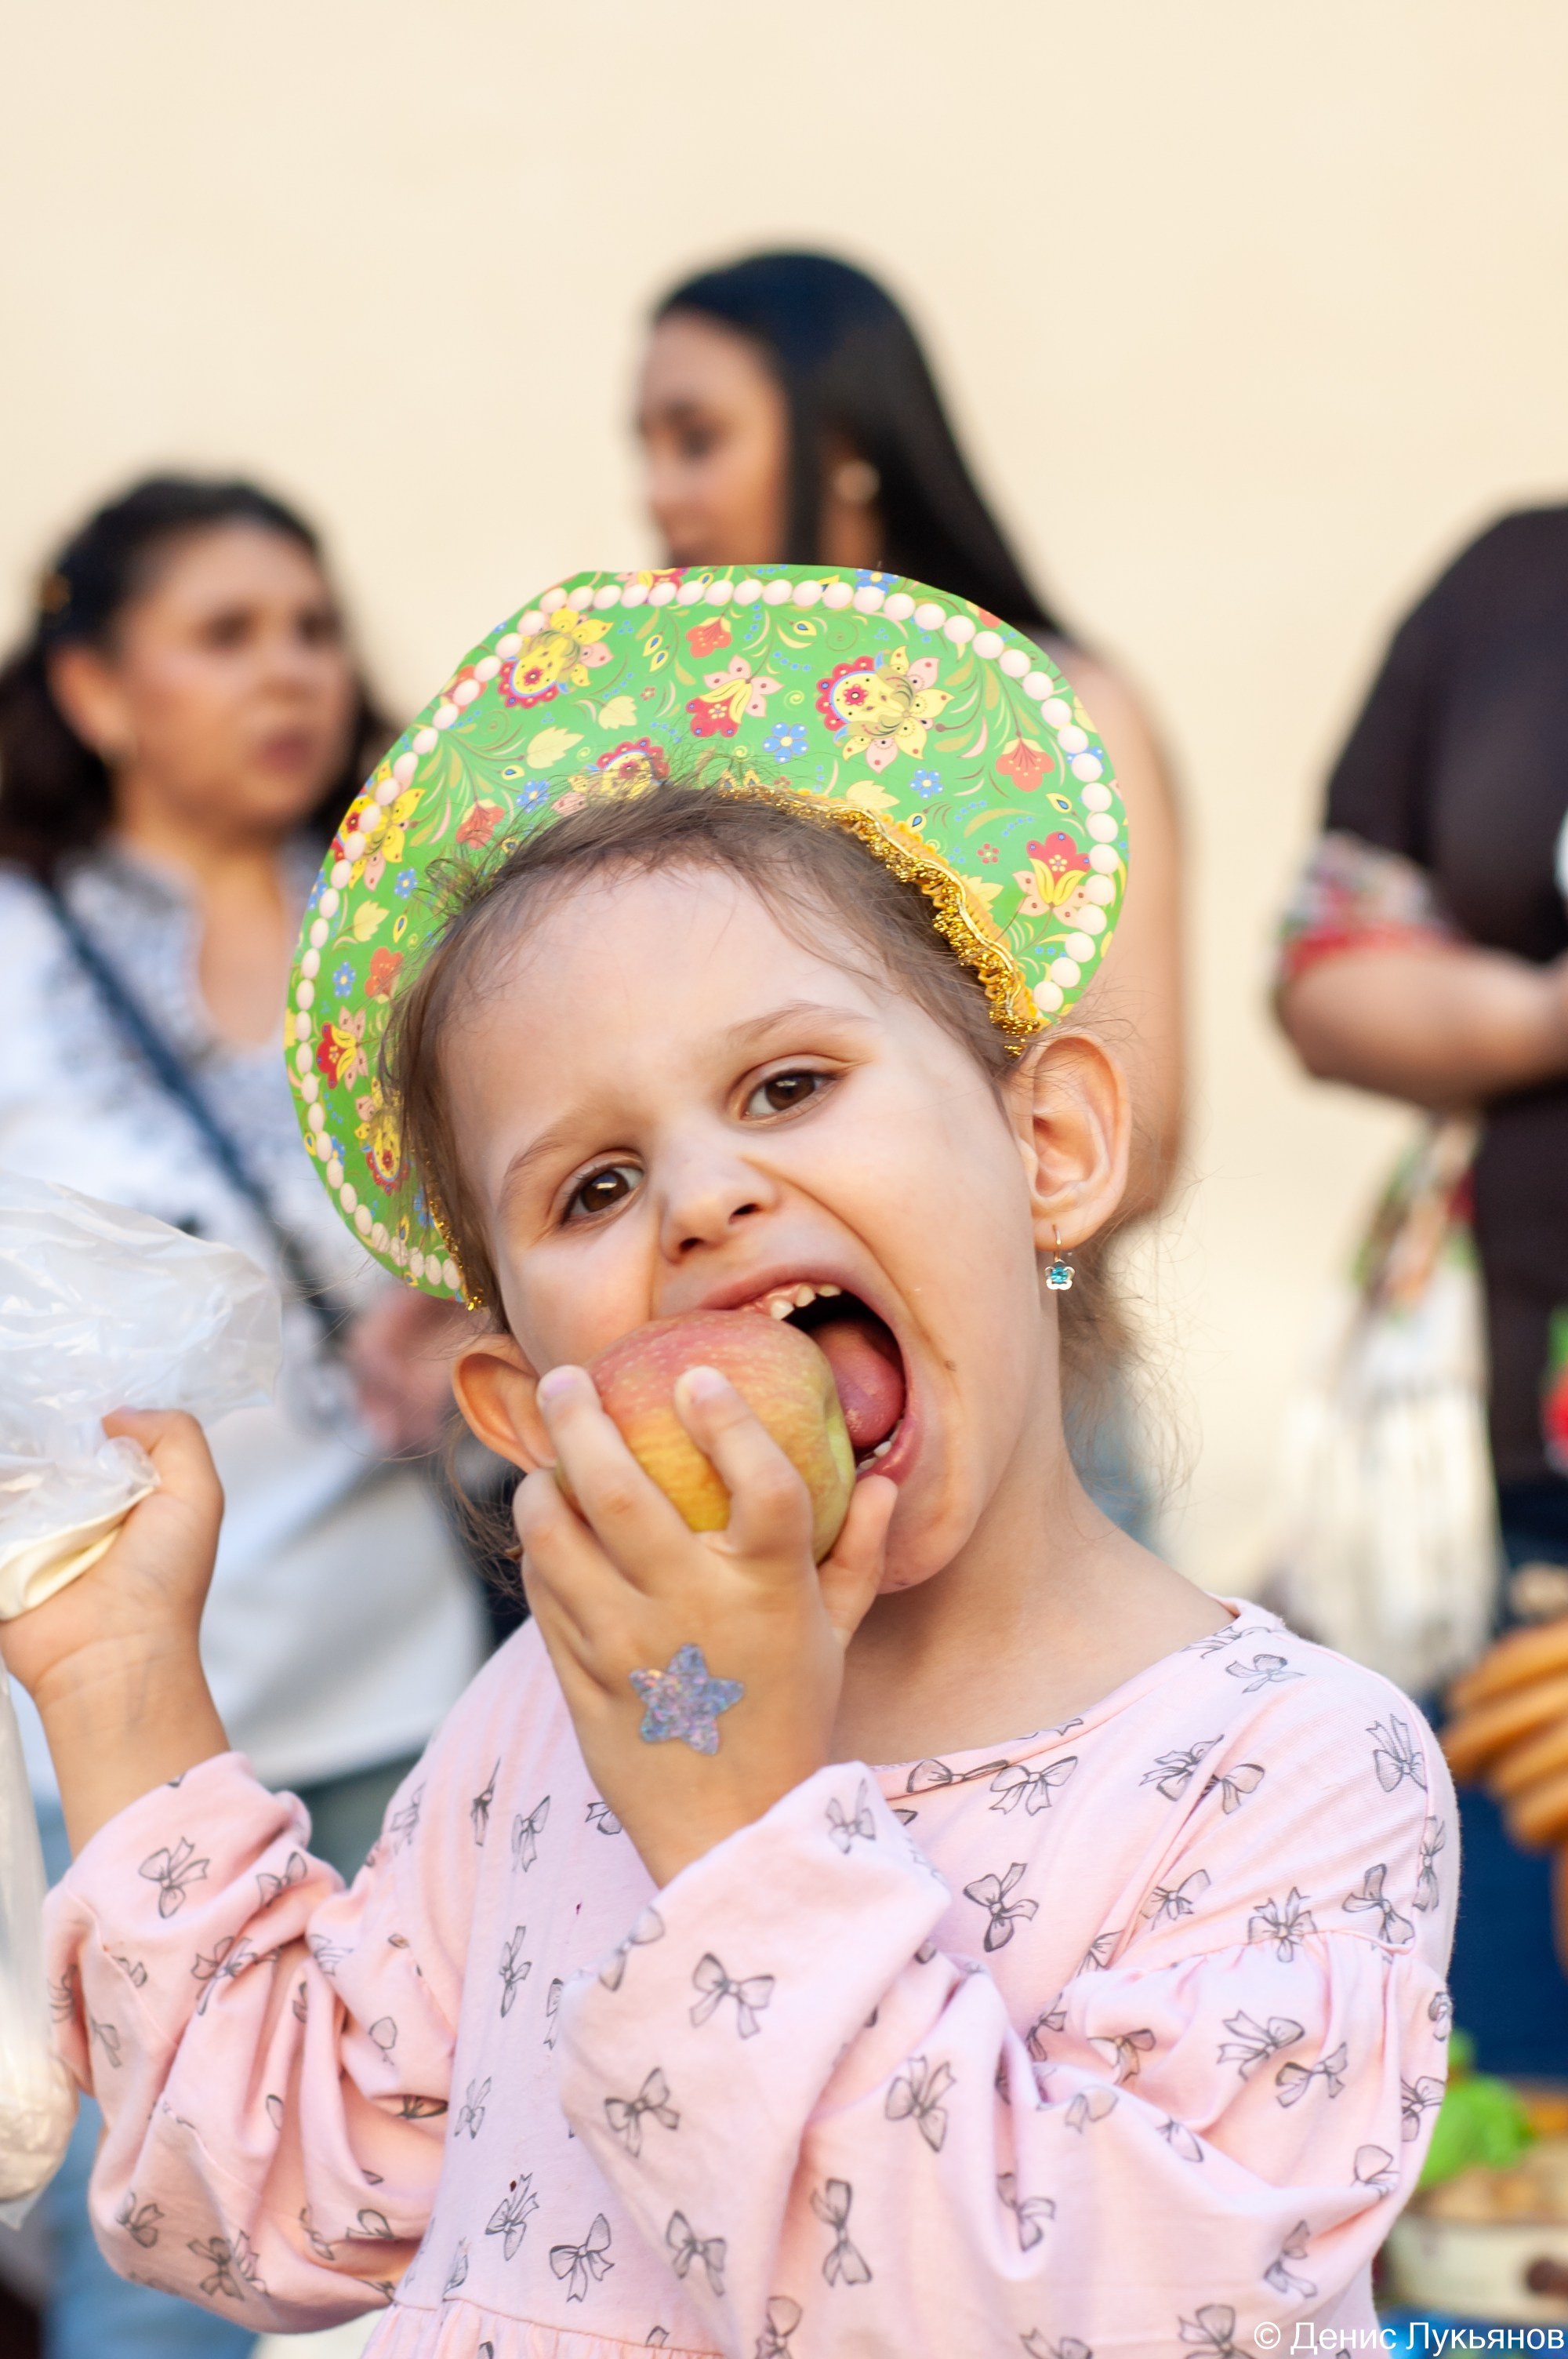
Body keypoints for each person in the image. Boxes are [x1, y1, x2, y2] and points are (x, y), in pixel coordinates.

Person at [9, 565, 1450, 2354]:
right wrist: (125, 1675)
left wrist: (737, 1819)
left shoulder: (1282, 1767)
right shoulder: (549, 1711)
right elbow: (280, 2201)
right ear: (524, 1407)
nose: (702, 1198)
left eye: (784, 1085)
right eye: (592, 1186)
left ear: (1052, 1146)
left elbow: (1099, 2319)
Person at [0, 475, 487, 2358]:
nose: (289, 669)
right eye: (223, 633)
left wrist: (462, 1313)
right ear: (100, 688)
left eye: (308, 623)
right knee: (168, 2248)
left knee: (409, 2223)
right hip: (109, 1705)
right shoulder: (18, 951)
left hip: (400, 1677)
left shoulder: (416, 932)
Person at [637, 249, 1185, 1216]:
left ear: (842, 443)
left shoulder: (1053, 709)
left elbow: (1136, 1135)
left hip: (1012, 1331)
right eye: (646, 450)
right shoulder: (656, 746)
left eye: (697, 439)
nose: (658, 493)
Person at [1276, 505, 1568, 2080]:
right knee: (1475, 2111)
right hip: (1489, 1495)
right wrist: (1538, 1016)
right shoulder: (1515, 581)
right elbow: (1324, 960)